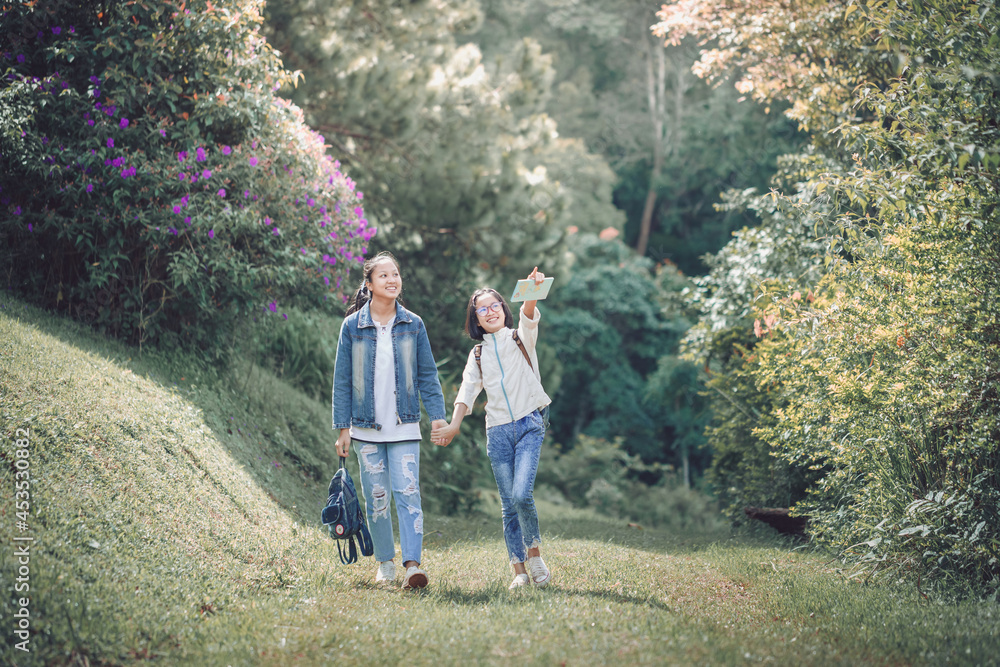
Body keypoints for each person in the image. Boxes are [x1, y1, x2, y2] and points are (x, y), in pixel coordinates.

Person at [332, 251, 448, 590]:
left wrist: (437, 417)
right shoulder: (352, 326)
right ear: (369, 284)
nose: (392, 279)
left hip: (405, 426)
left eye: (395, 274)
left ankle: (412, 566)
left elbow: (427, 375)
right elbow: (342, 380)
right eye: (383, 275)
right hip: (365, 428)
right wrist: (342, 428)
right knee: (377, 499)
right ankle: (385, 563)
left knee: (409, 494)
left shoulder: (414, 324)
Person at [432, 267, 552, 590]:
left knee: (521, 494)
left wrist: (531, 290)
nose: (489, 312)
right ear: (475, 319)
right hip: (497, 433)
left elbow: (529, 315)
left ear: (503, 308)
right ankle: (519, 572)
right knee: (508, 504)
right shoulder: (478, 353)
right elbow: (467, 390)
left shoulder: (519, 337)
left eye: (494, 305)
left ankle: (535, 556)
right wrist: (454, 425)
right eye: (481, 309)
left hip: (528, 425)